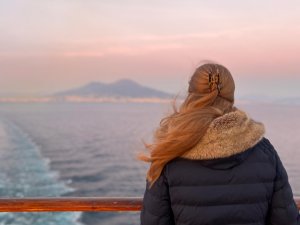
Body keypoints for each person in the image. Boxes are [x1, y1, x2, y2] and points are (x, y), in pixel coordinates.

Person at [139, 63, 300, 225]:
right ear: (231, 94)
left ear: (191, 94)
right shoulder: (264, 151)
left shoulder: (170, 151)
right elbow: (286, 220)